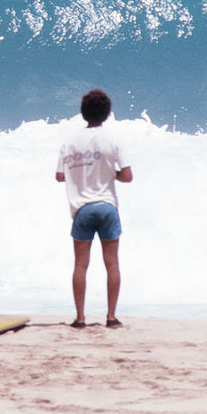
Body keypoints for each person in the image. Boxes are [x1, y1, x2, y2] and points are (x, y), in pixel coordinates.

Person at [56, 89, 132, 329]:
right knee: (112, 263)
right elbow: (127, 176)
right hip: (107, 205)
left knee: (80, 264)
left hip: (82, 209)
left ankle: (80, 318)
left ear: (83, 113)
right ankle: (111, 316)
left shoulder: (69, 141)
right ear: (107, 113)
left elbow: (59, 176)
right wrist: (111, 173)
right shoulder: (114, 139)